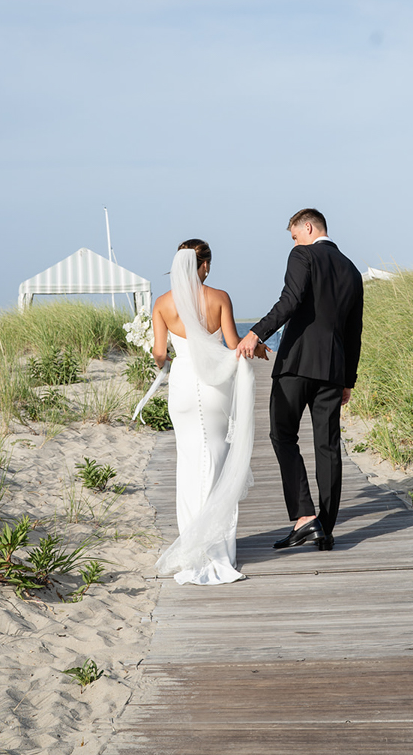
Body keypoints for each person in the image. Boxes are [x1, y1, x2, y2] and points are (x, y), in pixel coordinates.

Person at [236, 209, 364, 552]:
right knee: (328, 446)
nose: (293, 242)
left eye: (294, 235)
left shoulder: (303, 254)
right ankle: (326, 527)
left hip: (297, 364)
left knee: (282, 435)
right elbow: (354, 332)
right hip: (333, 371)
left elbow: (289, 301)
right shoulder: (352, 270)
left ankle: (305, 516)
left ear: (308, 228)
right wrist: (347, 378)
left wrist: (255, 333)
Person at [152, 240, 268, 585]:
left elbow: (160, 354)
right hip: (213, 385)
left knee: (189, 461)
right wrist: (259, 348)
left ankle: (192, 544)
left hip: (183, 385)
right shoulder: (218, 298)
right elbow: (233, 346)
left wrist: (172, 358)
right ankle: (216, 548)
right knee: (216, 457)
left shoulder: (162, 304)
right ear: (203, 266)